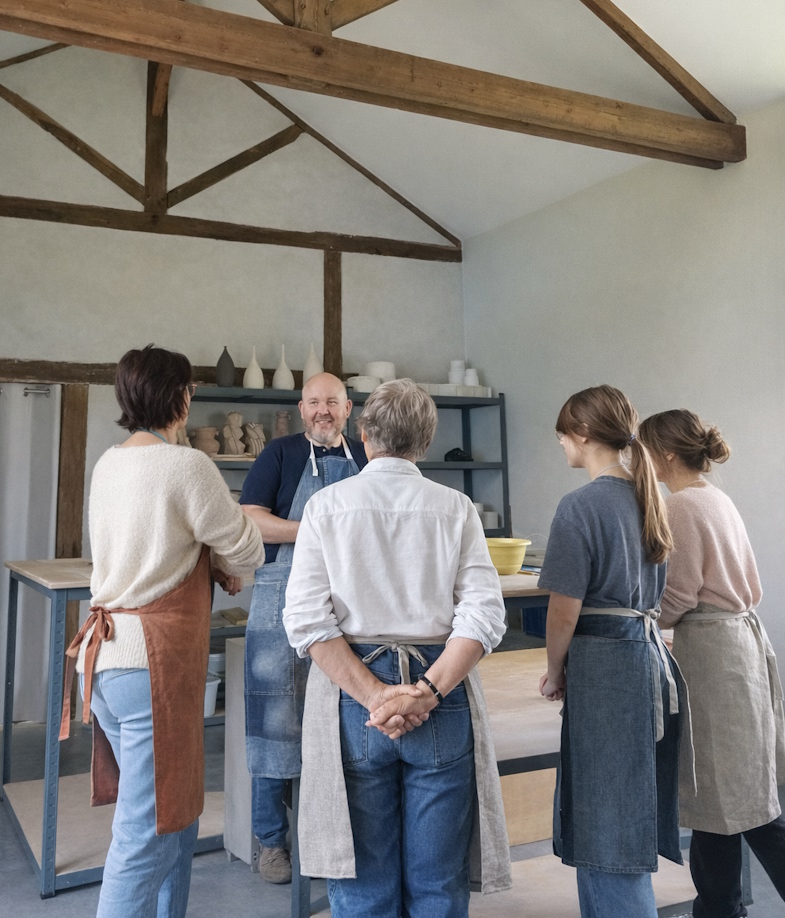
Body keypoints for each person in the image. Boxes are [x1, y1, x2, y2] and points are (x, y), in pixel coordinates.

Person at [283, 378, 511, 917]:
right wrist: (424, 693)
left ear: (362, 435)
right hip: (439, 690)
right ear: (425, 443)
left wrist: (374, 697)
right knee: (437, 884)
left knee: (363, 886)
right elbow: (484, 615)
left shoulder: (326, 506)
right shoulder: (455, 508)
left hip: (352, 697)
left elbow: (306, 620)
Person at [60, 344, 265, 918]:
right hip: (151, 663)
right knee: (147, 827)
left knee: (176, 813)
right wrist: (230, 565)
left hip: (103, 662)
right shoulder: (186, 466)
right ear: (181, 397)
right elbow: (244, 542)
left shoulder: (108, 463)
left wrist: (210, 556)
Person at [537, 384, 686, 918]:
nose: (561, 444)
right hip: (644, 658)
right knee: (625, 806)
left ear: (581, 435)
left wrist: (554, 669)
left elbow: (562, 611)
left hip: (603, 667)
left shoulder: (580, 506)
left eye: (562, 434)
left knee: (604, 815)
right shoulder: (651, 497)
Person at [638, 409, 785, 918]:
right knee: (723, 799)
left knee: (731, 798)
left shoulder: (680, 506)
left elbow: (677, 595)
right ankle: (718, 908)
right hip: (735, 646)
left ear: (667, 453)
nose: (640, 458)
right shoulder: (715, 498)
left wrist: (642, 619)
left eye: (645, 448)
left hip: (713, 656)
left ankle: (719, 908)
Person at [239, 372, 367, 883]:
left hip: (350, 602)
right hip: (281, 599)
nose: (323, 411)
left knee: (344, 721)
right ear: (300, 407)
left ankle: (334, 837)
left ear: (348, 407)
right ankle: (272, 842)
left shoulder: (366, 454)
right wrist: (317, 530)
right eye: (314, 402)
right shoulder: (280, 453)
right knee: (275, 721)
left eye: (332, 402)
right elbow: (251, 518)